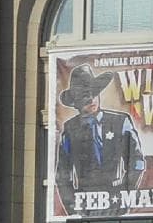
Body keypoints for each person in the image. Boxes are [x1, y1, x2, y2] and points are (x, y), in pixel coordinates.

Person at [56, 66, 145, 205]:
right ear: (76, 102)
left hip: (118, 198)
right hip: (85, 201)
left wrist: (125, 193)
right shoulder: (70, 129)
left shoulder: (120, 122)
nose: (91, 99)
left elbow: (137, 162)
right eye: (85, 95)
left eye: (94, 92)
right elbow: (62, 174)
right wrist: (73, 206)